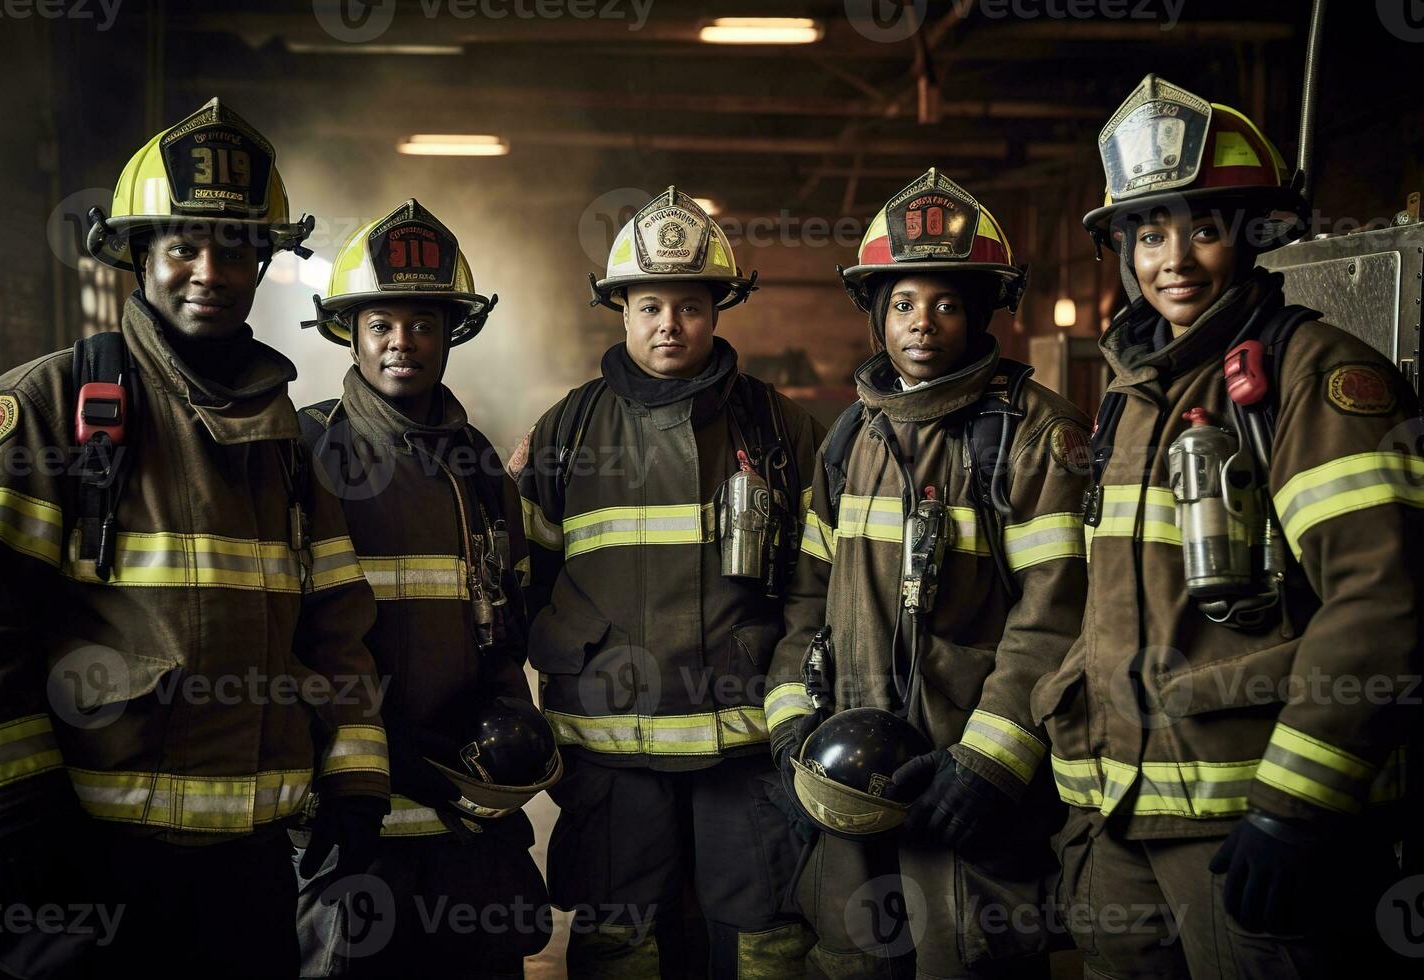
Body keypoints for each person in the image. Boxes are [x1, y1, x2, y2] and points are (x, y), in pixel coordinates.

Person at [0, 98, 387, 978]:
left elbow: (337, 630)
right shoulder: (46, 410)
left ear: (262, 262)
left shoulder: (290, 447)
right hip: (87, 863)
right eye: (183, 244)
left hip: (252, 870)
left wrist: (352, 780)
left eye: (233, 246)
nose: (208, 270)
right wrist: (12, 803)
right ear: (138, 254)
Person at [1033, 74, 1422, 977]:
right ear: (1123, 245)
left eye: (1203, 228)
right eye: (1149, 231)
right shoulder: (1131, 394)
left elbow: (1382, 605)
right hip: (1118, 819)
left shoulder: (1316, 378)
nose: (1174, 259)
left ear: (1251, 238)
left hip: (1247, 828)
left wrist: (1293, 806)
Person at [766, 167, 1092, 978]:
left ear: (980, 313)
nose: (923, 323)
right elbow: (806, 600)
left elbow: (1058, 613)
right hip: (849, 782)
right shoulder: (850, 439)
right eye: (904, 303)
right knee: (853, 958)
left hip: (968, 788)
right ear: (878, 314)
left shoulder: (1034, 433)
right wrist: (790, 724)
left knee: (971, 957)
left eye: (947, 303)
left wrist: (988, 761)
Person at [513, 187, 823, 977]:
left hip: (745, 744)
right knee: (620, 941)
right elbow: (525, 577)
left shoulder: (778, 428)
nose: (669, 325)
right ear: (619, 310)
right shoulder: (568, 429)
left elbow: (817, 587)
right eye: (649, 305)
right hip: (611, 750)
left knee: (766, 938)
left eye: (689, 305)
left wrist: (794, 707)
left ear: (718, 310)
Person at [293, 198, 553, 977]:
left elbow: (503, 625)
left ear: (451, 336)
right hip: (347, 814)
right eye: (381, 325)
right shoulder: (303, 450)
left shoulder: (476, 468)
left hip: (464, 822)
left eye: (423, 325)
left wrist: (506, 735)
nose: (402, 343)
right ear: (351, 333)